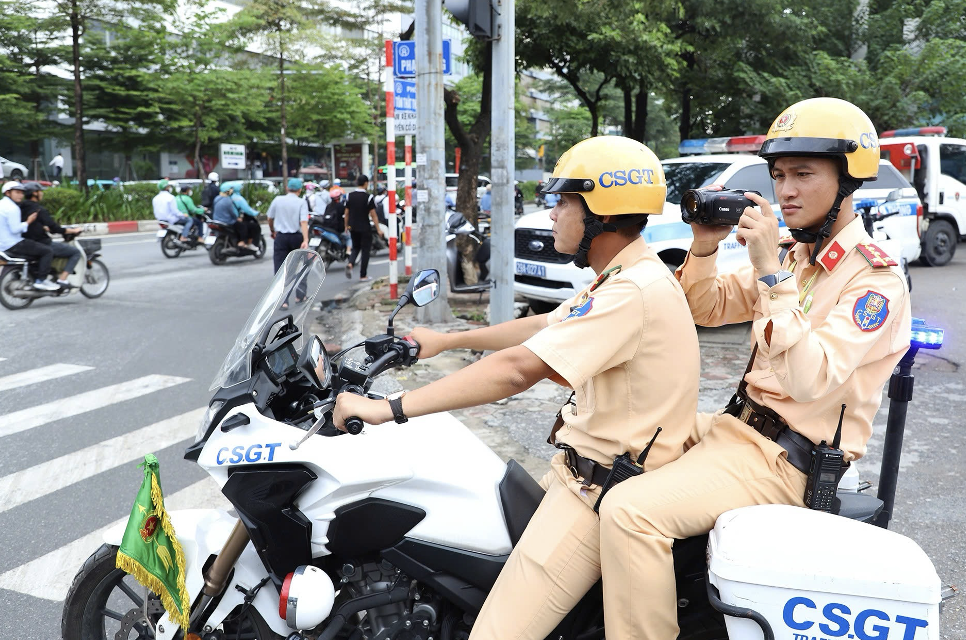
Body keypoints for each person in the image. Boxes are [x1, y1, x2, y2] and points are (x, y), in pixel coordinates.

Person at [332, 136, 702, 640]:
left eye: (564, 202)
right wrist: (446, 341)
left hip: (597, 493)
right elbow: (545, 326)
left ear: (601, 212)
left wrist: (389, 409)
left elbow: (516, 370)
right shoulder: (624, 275)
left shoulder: (632, 290)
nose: (552, 215)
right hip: (581, 472)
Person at [592, 97, 912, 640]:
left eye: (804, 174)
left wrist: (768, 271)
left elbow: (810, 378)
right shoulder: (795, 256)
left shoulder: (873, 282)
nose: (785, 191)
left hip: (787, 462)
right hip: (735, 431)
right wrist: (705, 246)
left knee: (630, 511)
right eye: (779, 174)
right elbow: (705, 308)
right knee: (611, 442)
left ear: (847, 181)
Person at [20, 182, 82, 287]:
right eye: (40, 191)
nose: (42, 194)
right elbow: (55, 228)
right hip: (41, 242)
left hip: (25, 242)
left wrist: (43, 227)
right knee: (75, 252)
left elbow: (33, 224)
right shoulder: (38, 209)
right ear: (35, 193)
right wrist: (73, 231)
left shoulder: (20, 207)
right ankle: (62, 280)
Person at [0, 182, 58, 291]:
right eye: (17, 192)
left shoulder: (2, 205)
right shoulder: (12, 208)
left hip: (2, 245)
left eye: (22, 193)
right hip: (14, 243)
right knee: (47, 251)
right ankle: (41, 280)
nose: (20, 196)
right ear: (8, 193)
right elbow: (15, 229)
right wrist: (28, 222)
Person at [343, 174, 384, 281]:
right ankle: (363, 275)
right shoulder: (368, 197)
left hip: (353, 227)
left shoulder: (349, 196)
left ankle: (351, 263)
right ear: (366, 183)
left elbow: (346, 213)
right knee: (365, 250)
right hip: (365, 227)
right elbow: (373, 215)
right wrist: (378, 229)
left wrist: (346, 226)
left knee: (355, 247)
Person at [267, 178, 310, 274]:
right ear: (299, 190)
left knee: (279, 269)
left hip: (281, 237)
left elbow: (270, 218)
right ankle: (300, 288)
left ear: (287, 188)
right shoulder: (301, 202)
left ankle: (280, 288)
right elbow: (303, 222)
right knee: (299, 269)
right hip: (296, 238)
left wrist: (272, 230)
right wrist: (305, 239)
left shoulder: (277, 200)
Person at [152, 179, 197, 244]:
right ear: (166, 187)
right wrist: (183, 215)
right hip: (171, 219)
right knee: (189, 220)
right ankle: (184, 236)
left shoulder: (155, 198)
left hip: (160, 220)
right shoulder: (171, 197)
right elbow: (175, 211)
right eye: (169, 186)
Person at [221, 181, 262, 249]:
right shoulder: (238, 198)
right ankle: (247, 243)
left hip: (224, 219)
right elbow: (247, 210)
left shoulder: (223, 198)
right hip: (233, 220)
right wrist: (256, 213)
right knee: (254, 226)